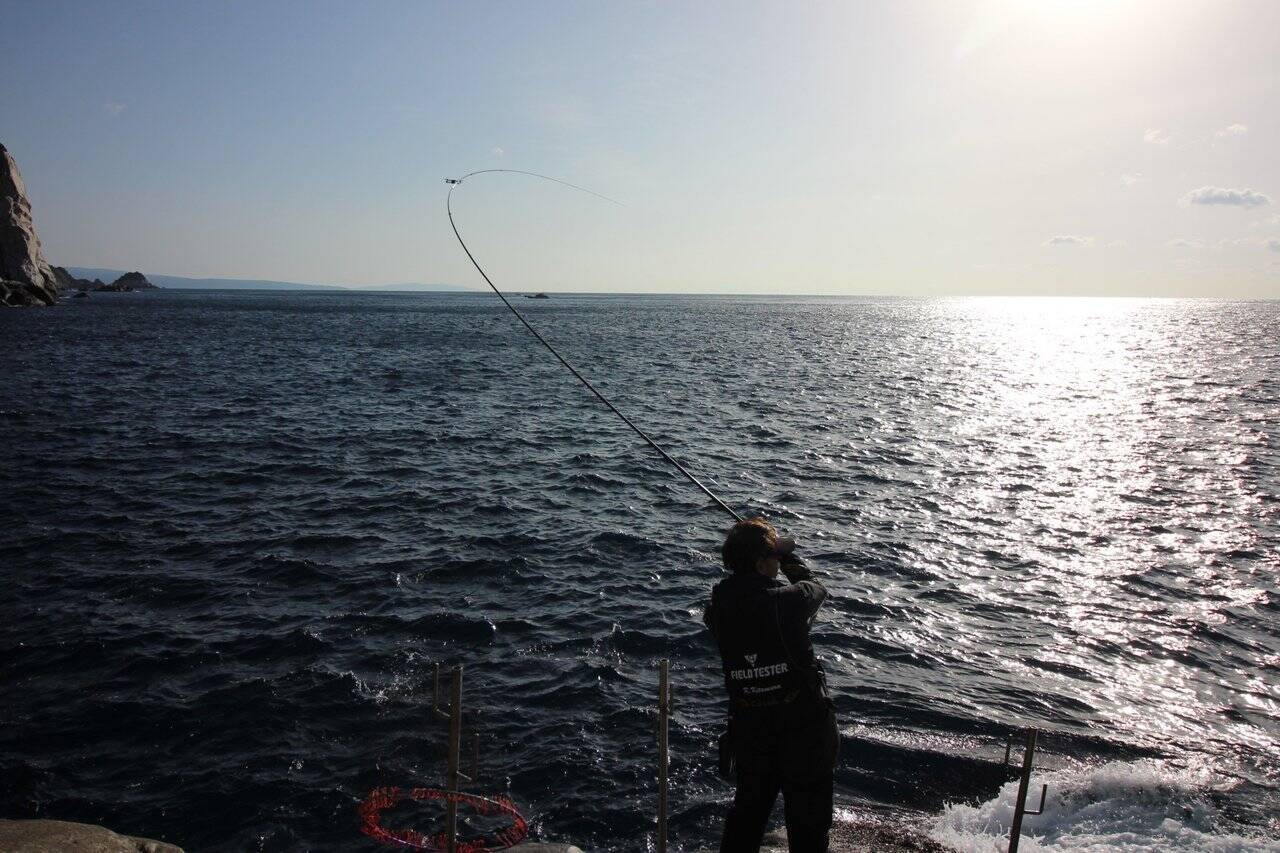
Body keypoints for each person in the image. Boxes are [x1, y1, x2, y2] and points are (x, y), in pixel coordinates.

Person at [703, 517, 839, 852]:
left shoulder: (717, 609)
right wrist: (794, 561)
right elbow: (815, 588)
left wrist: (771, 550)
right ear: (762, 562)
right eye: (774, 558)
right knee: (808, 825)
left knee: (747, 817)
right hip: (803, 731)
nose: (778, 563)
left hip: (752, 732)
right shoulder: (789, 602)